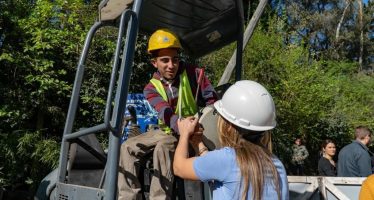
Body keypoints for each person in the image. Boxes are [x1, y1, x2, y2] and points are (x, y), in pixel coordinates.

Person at [117, 29, 218, 200]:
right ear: (154, 63)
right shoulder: (151, 88)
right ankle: (128, 197)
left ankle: (160, 198)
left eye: (175, 60)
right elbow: (165, 112)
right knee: (127, 147)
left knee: (163, 147)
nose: (171, 65)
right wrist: (179, 125)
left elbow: (213, 101)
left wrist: (203, 126)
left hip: (193, 130)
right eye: (165, 60)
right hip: (168, 128)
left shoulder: (194, 74)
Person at [173, 80, 289, 200]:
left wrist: (184, 134)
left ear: (228, 126)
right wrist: (198, 144)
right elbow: (220, 167)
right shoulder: (276, 165)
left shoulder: (226, 159)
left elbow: (179, 167)